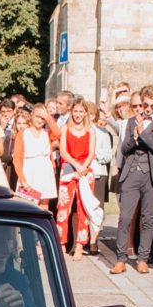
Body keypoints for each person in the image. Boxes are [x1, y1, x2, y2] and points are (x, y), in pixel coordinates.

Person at [111, 91, 153, 272]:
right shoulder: (131, 122)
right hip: (131, 172)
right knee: (125, 216)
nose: (143, 109)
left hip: (151, 175)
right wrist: (134, 137)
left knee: (148, 218)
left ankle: (142, 259)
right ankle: (121, 259)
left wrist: (143, 134)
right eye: (139, 106)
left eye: (147, 106)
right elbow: (124, 148)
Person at [56, 99, 99, 258]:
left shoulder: (91, 131)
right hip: (69, 168)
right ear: (71, 112)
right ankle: (61, 242)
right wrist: (75, 165)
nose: (78, 115)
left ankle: (80, 244)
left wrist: (83, 167)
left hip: (85, 170)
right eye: (76, 111)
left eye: (81, 111)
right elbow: (63, 152)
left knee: (83, 207)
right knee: (63, 207)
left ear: (85, 113)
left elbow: (91, 153)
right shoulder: (65, 128)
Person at [13, 101, 58, 211]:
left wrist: (47, 117)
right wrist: (23, 180)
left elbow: (57, 133)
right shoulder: (23, 133)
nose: (39, 120)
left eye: (42, 118)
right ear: (32, 116)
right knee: (27, 205)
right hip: (29, 171)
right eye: (37, 117)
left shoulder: (46, 133)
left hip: (44, 171)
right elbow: (17, 159)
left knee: (44, 206)